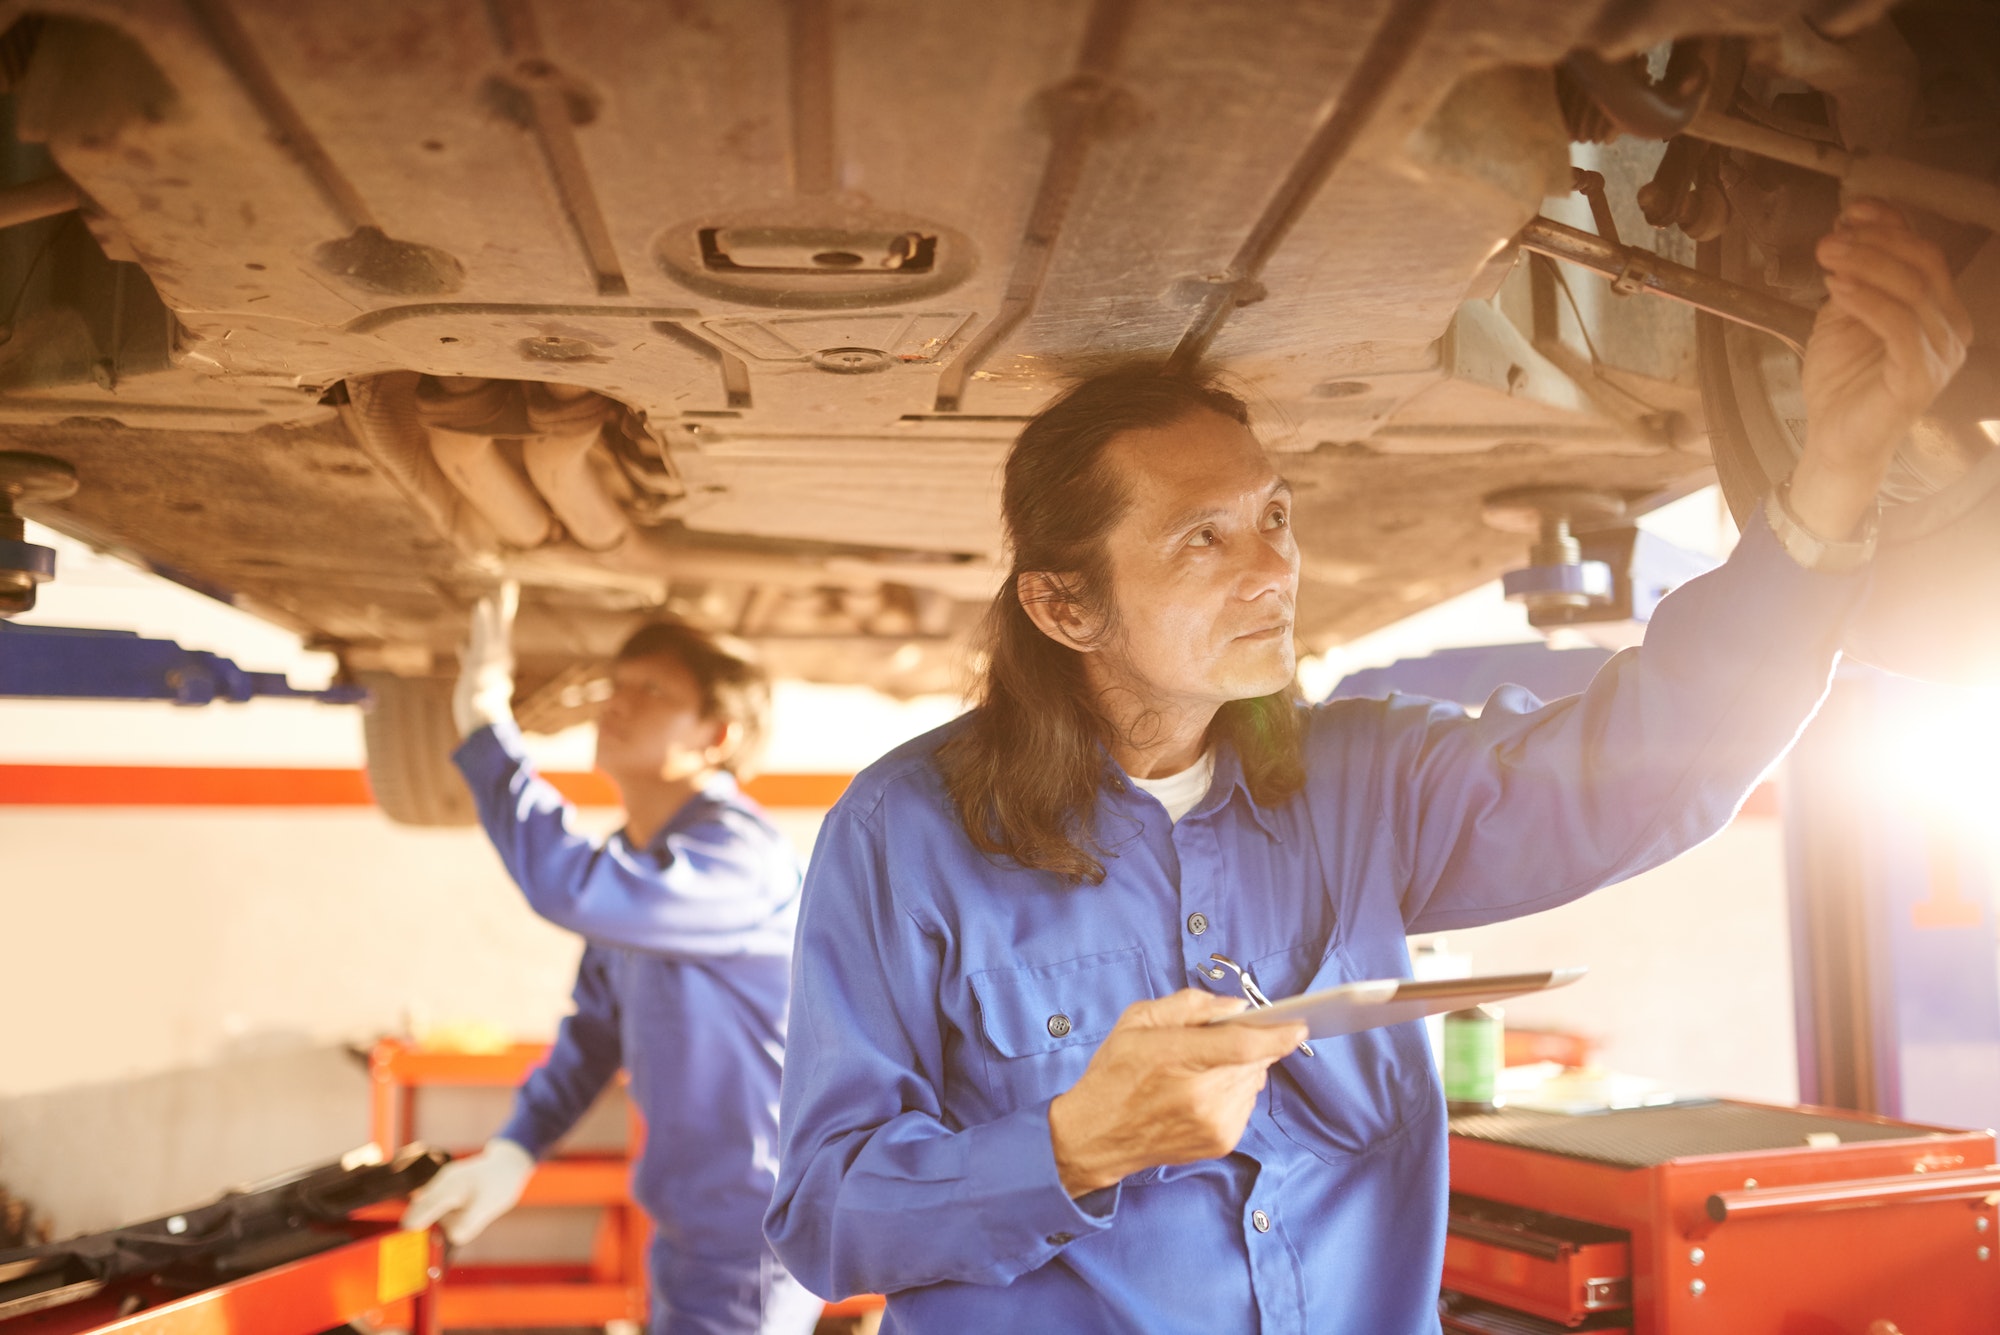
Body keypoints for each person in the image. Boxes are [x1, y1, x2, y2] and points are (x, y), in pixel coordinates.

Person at [763, 199, 1972, 1332]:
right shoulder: (904, 831)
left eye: (1274, 517)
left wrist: (1831, 479)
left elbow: (1643, 767)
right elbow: (823, 1220)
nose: (1269, 571)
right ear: (1064, 607)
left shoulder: (1361, 781)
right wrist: (1078, 1142)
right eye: (1203, 538)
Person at [403, 605, 822, 1335]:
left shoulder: (736, 858)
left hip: (754, 1225)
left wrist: (484, 728)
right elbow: (596, 1031)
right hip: (697, 1219)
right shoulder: (642, 869)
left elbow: (566, 885)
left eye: (653, 691)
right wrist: (514, 1146)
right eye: (617, 683)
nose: (616, 702)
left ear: (715, 737)